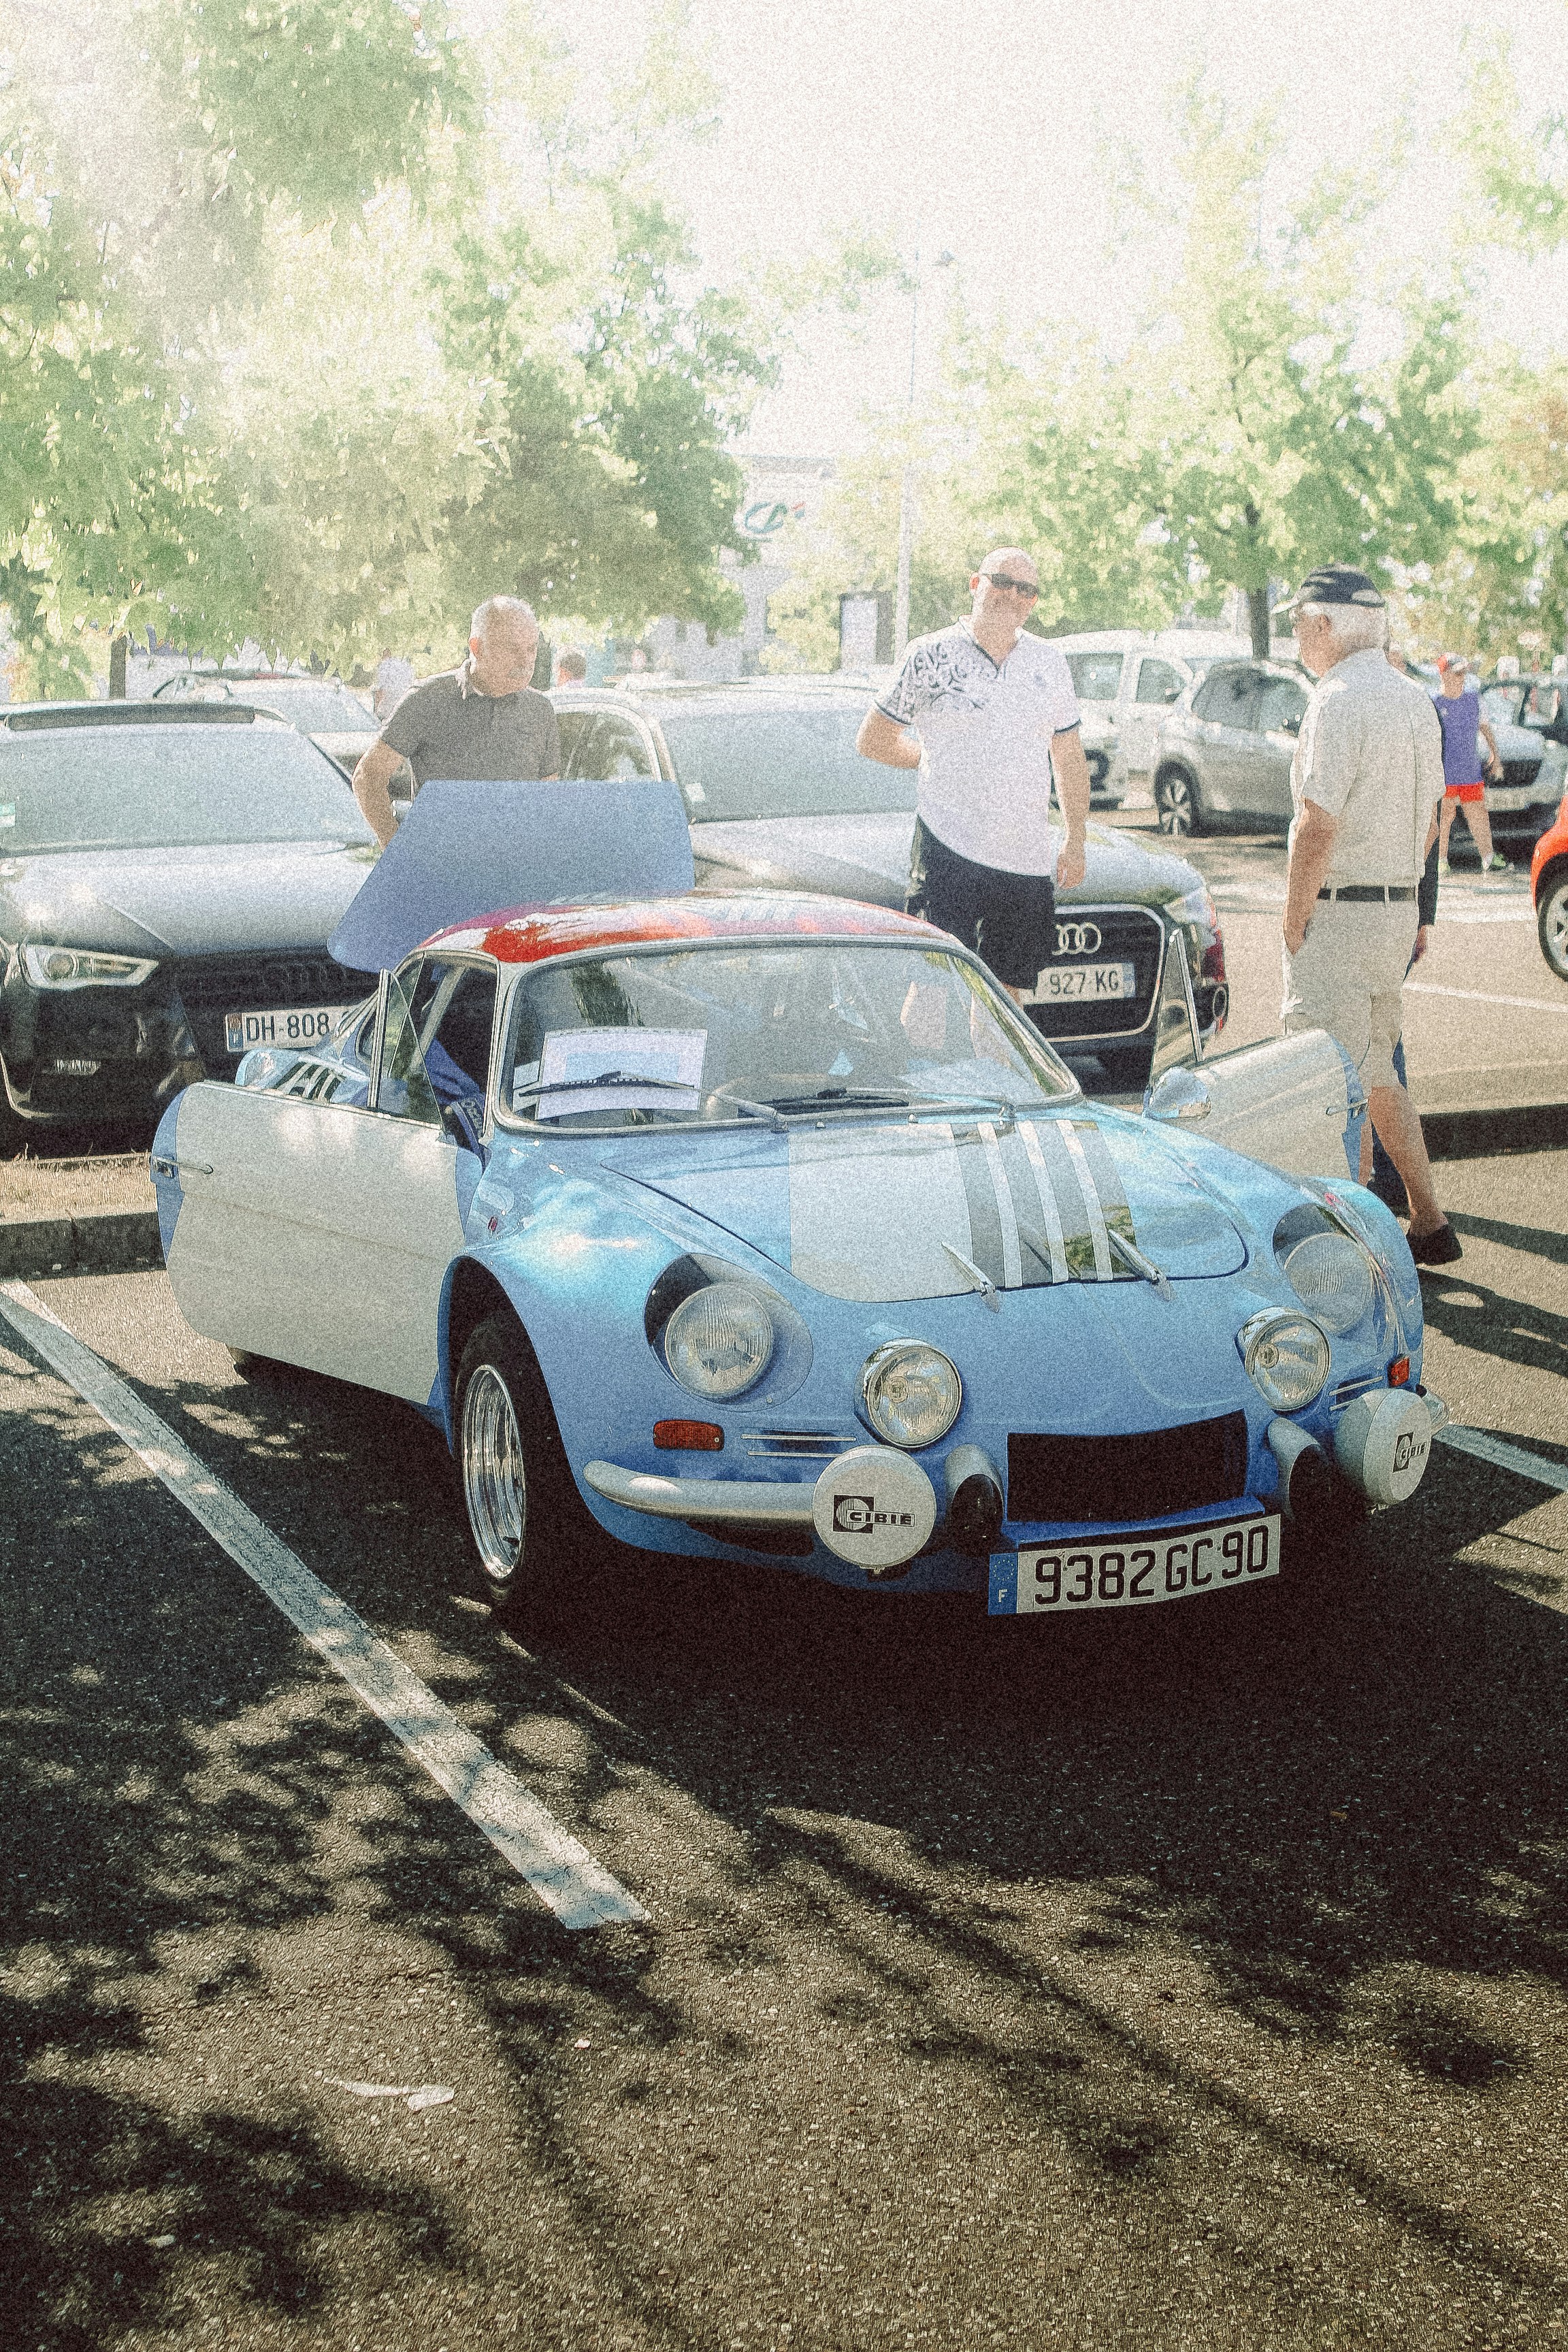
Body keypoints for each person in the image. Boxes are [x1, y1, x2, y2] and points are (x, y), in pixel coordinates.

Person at [1277, 565, 1460, 1267]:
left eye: (1298, 620)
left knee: (1334, 1079)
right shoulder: (1414, 700)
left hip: (1343, 911)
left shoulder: (1338, 699)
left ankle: (1353, 1245)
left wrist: (1294, 918)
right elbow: (1433, 820)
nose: (1296, 633)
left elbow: (1315, 824)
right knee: (1379, 1068)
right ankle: (1428, 1219)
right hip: (1393, 908)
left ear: (1326, 623)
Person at [855, 549, 1090, 1004]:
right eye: (1001, 581)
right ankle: (927, 1077)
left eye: (1027, 589)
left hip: (1024, 858)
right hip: (948, 849)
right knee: (931, 990)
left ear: (1034, 601)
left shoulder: (1049, 663)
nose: (1013, 596)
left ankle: (997, 1078)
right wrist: (931, 757)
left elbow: (1068, 755)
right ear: (975, 584)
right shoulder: (929, 655)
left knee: (1006, 1003)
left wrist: (1075, 838)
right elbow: (873, 739)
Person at [351, 597, 561, 848]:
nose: (526, 661)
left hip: (513, 872)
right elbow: (368, 776)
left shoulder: (540, 710)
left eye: (531, 649)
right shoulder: (428, 700)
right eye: (513, 649)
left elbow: (548, 798)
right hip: (442, 874)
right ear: (477, 647)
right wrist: (396, 847)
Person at [1433, 653, 1506, 875]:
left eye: (1464, 672)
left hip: (1469, 771)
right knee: (1444, 817)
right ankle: (1441, 860)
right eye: (1457, 672)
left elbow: (1485, 729)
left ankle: (1489, 858)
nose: (1462, 677)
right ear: (1444, 674)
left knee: (1478, 814)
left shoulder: (1475, 700)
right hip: (1444, 772)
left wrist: (1496, 756)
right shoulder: (1434, 703)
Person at [372, 648, 415, 721]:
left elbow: (380, 693)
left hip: (387, 714)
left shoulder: (385, 665)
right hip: (404, 711)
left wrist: (374, 713)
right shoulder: (408, 666)